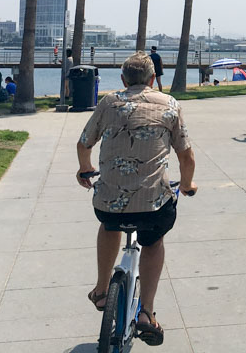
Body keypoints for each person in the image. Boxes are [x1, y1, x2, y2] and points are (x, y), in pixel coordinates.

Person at [76, 51, 196, 346]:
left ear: (122, 79)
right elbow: (186, 155)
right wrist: (189, 183)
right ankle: (146, 312)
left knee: (109, 225)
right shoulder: (170, 104)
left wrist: (85, 169)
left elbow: (83, 143)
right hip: (153, 204)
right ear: (153, 79)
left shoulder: (109, 102)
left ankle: (103, 289)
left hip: (109, 204)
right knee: (153, 241)